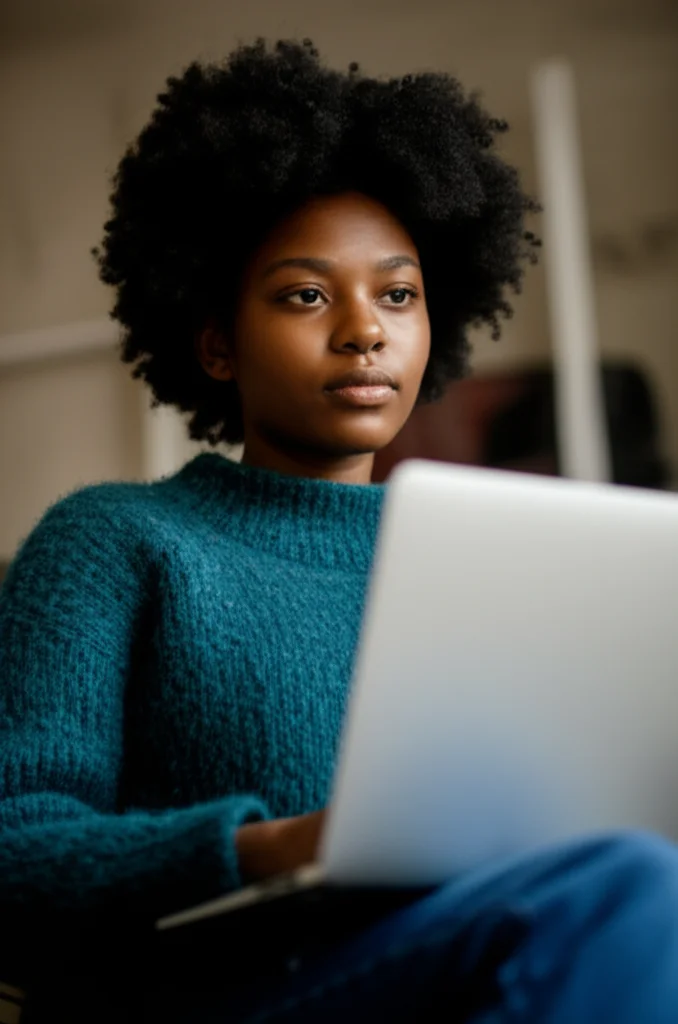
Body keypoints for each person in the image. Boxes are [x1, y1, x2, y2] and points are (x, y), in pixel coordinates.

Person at [1, 37, 678, 1023]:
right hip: (233, 999)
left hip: (462, 965)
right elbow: (13, 846)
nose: (366, 328)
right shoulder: (115, 541)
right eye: (307, 294)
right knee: (623, 892)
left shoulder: (500, 566)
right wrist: (269, 847)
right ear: (218, 344)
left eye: (398, 294)